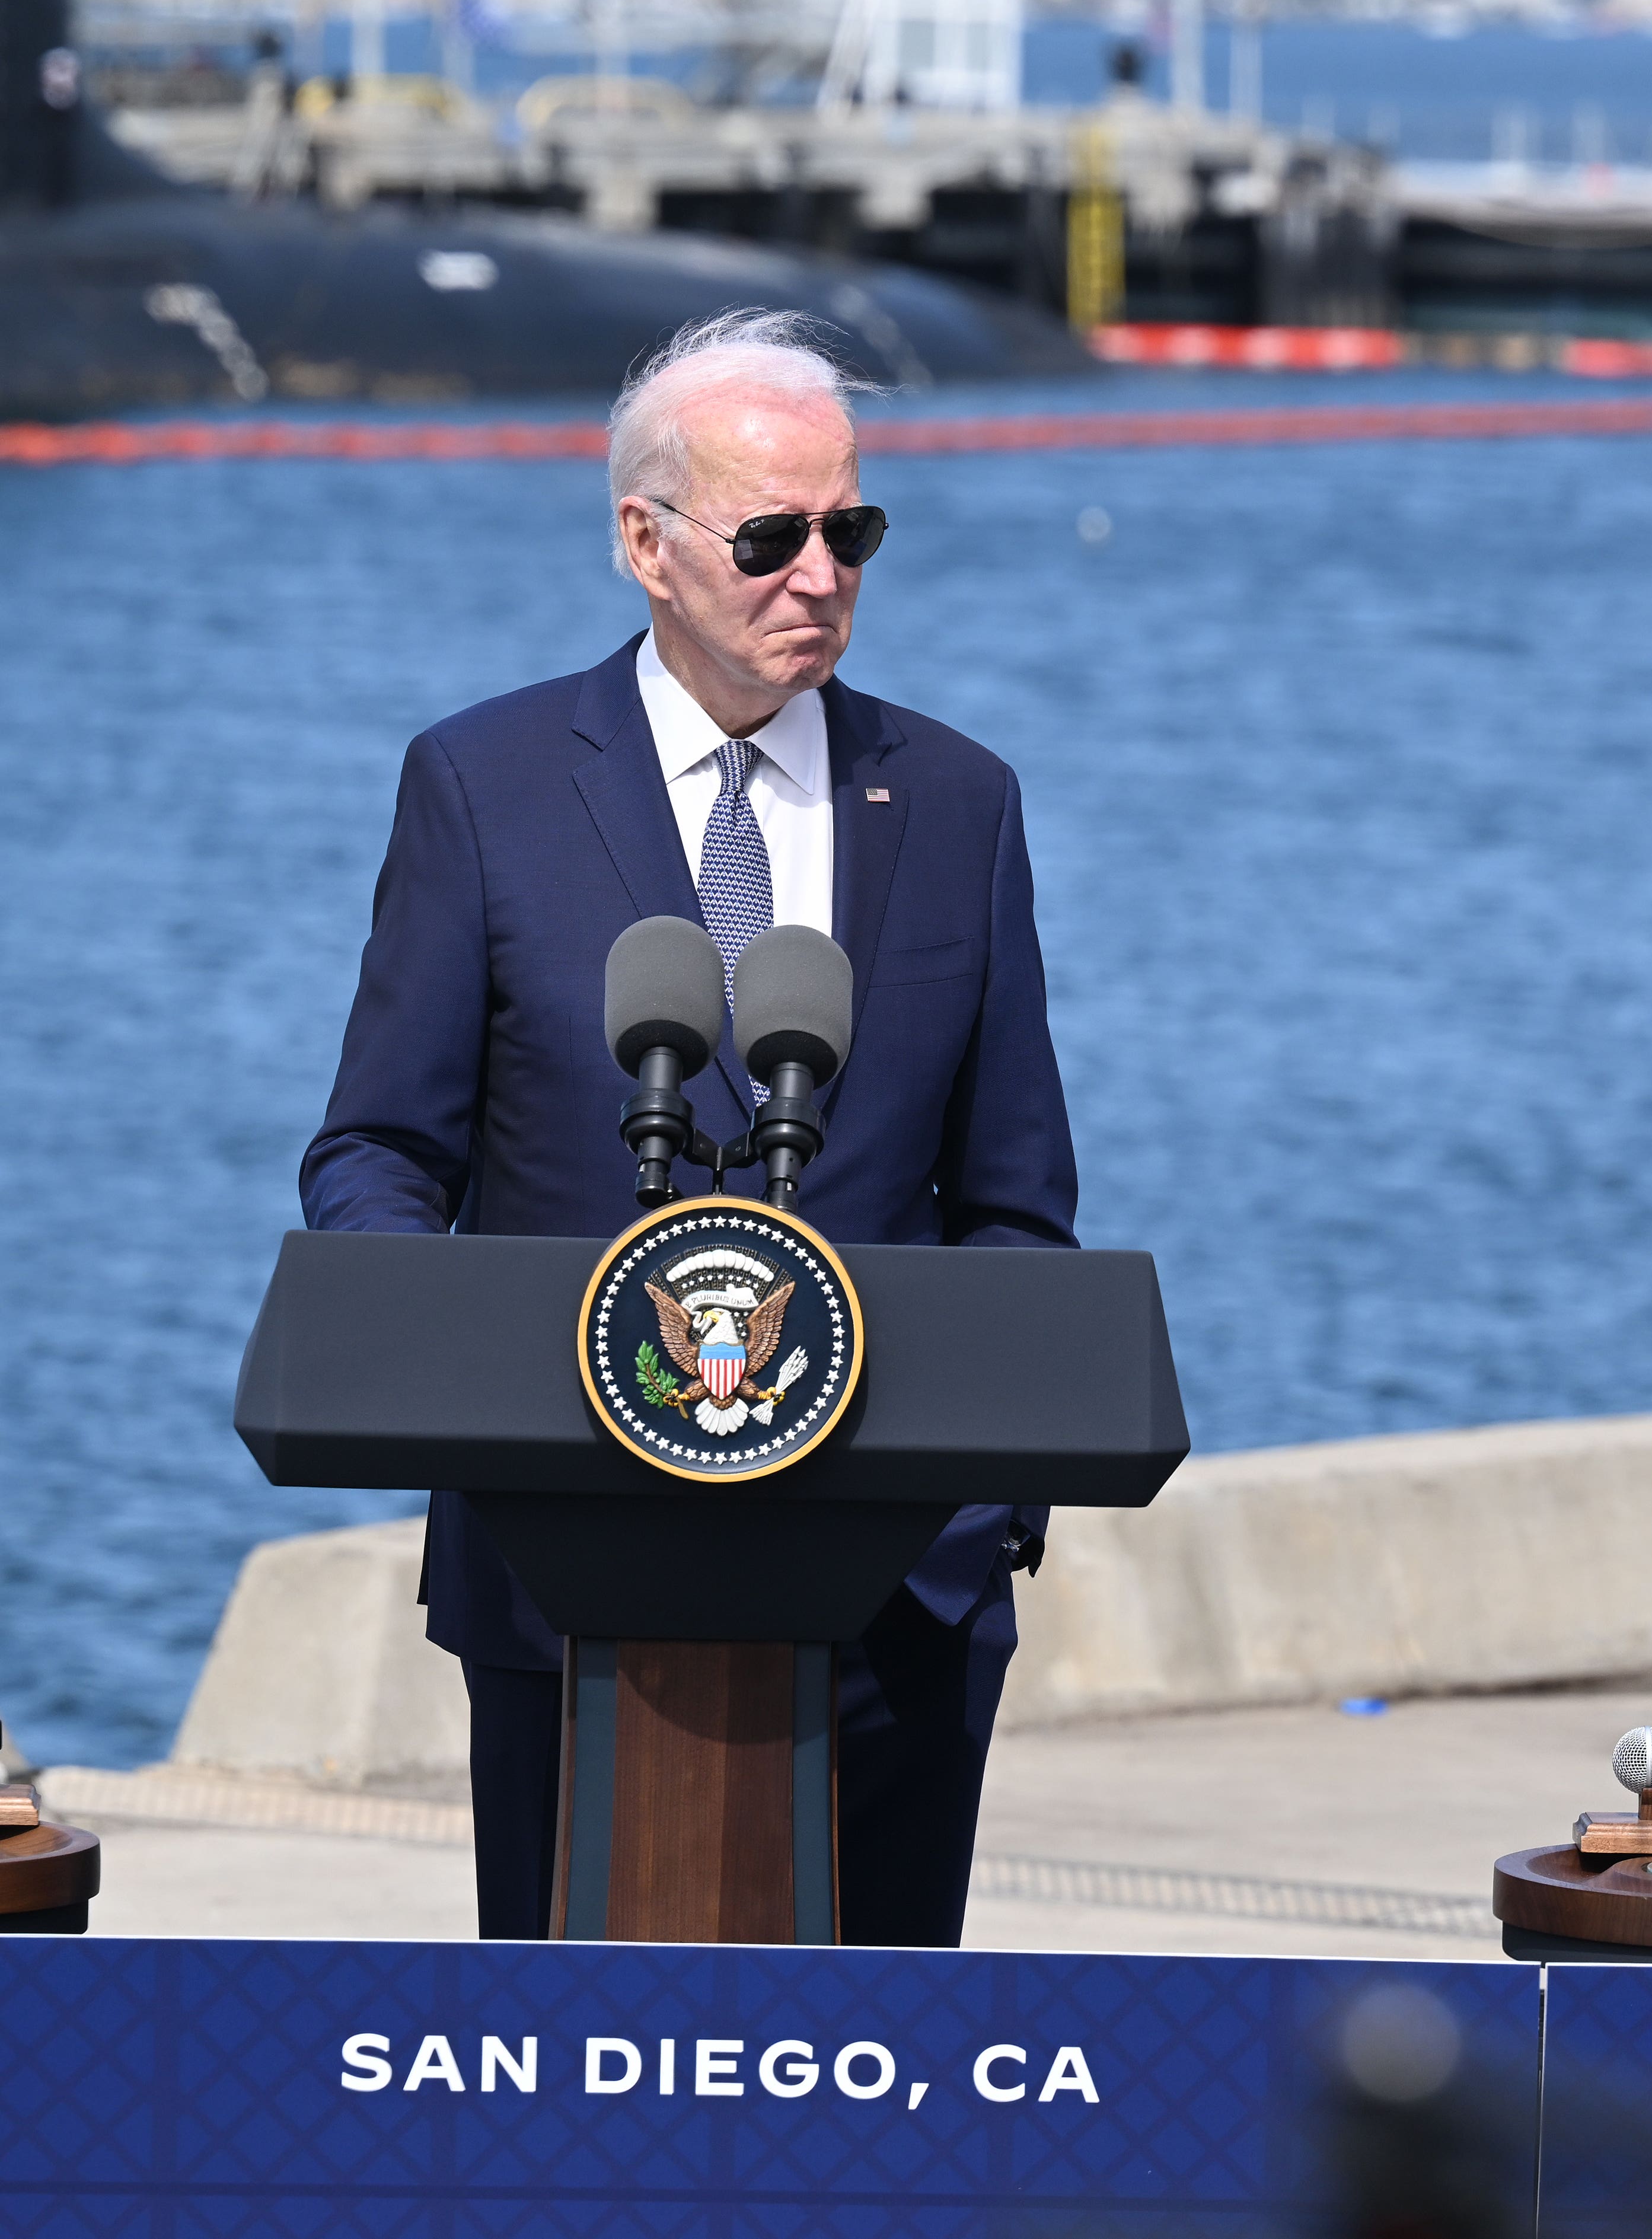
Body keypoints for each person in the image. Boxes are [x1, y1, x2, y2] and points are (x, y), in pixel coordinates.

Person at [300, 309, 1076, 1944]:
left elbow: (1014, 1204)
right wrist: (444, 1370)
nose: (821, 575)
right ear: (644, 544)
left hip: (893, 1597)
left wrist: (973, 1526)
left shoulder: (955, 803)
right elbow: (378, 1153)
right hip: (564, 1574)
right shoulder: (484, 786)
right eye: (772, 536)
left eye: (850, 531)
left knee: (874, 2127)